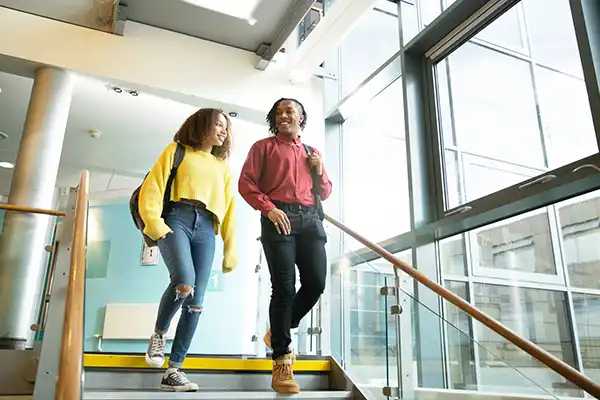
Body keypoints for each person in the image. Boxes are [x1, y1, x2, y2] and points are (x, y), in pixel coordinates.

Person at [139, 108, 237, 392]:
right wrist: (154, 224)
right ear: (202, 124)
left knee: (197, 302)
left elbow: (230, 211)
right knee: (184, 281)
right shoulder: (177, 150)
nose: (223, 130)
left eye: (226, 127)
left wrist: (230, 249)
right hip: (177, 219)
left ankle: (174, 370)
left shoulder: (222, 167)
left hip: (207, 228)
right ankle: (159, 335)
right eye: (218, 124)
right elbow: (153, 187)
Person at [238, 98, 332, 394]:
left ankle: (278, 329)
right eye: (278, 112)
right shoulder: (262, 148)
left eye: (289, 111)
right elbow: (246, 184)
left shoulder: (311, 152)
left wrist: (319, 170)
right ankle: (281, 361)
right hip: (277, 216)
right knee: (284, 286)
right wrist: (268, 208)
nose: (283, 115)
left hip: (310, 220)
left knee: (316, 283)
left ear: (301, 117)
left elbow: (325, 192)